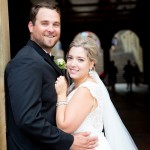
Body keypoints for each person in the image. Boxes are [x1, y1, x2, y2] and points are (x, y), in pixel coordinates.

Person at [4, 1, 98, 150]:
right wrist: (68, 141)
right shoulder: (26, 61)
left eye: (56, 24)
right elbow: (28, 119)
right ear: (31, 27)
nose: (51, 29)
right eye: (45, 23)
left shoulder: (40, 58)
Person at [55, 36, 138, 150]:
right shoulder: (77, 85)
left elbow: (64, 128)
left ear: (91, 64)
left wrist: (61, 95)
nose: (73, 64)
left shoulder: (86, 90)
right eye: (70, 58)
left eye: (80, 59)